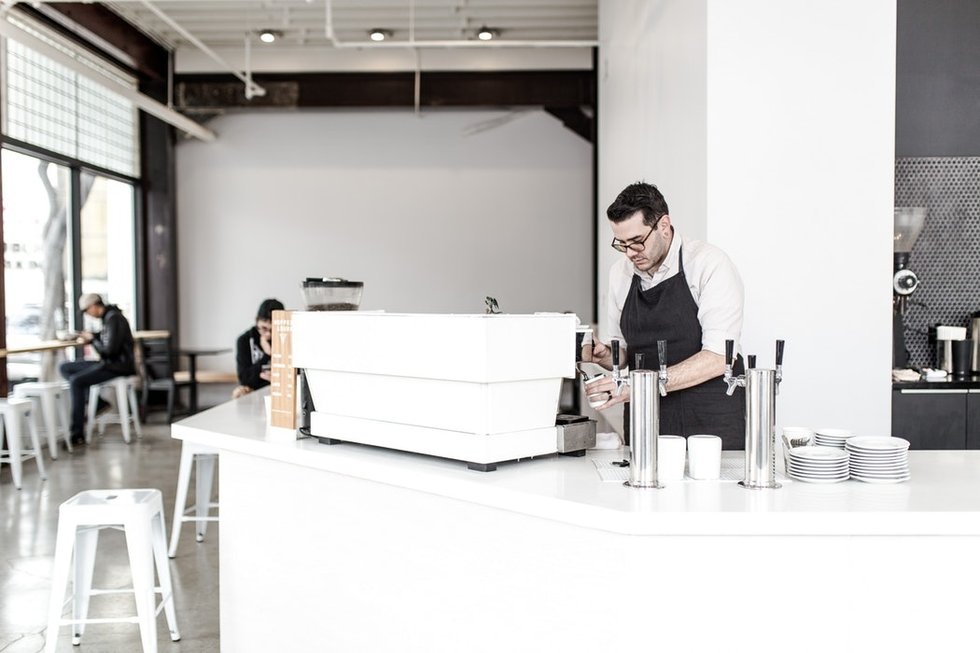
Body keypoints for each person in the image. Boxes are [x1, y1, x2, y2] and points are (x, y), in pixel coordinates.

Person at [588, 182, 746, 449]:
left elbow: (719, 357)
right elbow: (623, 352)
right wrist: (604, 354)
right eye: (622, 244)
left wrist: (638, 387)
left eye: (637, 242)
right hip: (647, 421)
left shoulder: (709, 264)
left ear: (664, 225)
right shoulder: (620, 274)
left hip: (710, 422)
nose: (630, 253)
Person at [59, 293, 136, 446]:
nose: (87, 314)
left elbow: (109, 351)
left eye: (86, 310)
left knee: (76, 382)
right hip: (109, 363)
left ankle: (77, 434)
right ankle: (100, 404)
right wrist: (94, 336)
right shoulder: (109, 318)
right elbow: (109, 343)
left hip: (117, 366)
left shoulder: (114, 319)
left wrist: (92, 339)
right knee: (65, 367)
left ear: (94, 306)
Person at [232, 298, 284, 399]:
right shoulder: (244, 340)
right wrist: (267, 355)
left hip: (281, 393)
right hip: (254, 394)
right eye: (264, 328)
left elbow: (297, 375)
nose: (268, 334)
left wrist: (279, 380)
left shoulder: (287, 339)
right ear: (257, 322)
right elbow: (244, 379)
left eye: (273, 329)